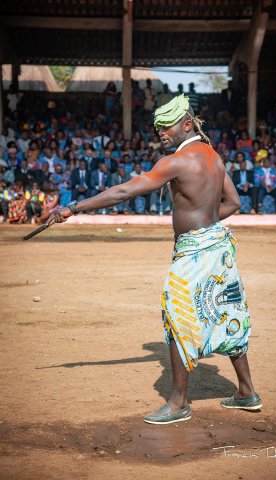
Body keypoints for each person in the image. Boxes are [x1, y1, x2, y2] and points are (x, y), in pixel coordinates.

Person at [49, 94, 262, 424]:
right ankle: (246, 391)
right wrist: (206, 225)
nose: (160, 132)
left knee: (176, 316)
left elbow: (125, 191)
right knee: (227, 310)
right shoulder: (215, 158)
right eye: (158, 127)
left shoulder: (176, 161)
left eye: (166, 126)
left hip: (194, 251)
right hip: (219, 246)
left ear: (187, 124)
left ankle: (178, 404)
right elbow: (233, 203)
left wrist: (74, 207)